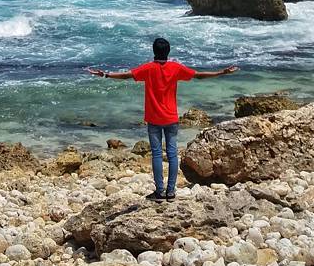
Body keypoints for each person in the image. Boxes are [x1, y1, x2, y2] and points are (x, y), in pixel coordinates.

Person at [87, 38, 238, 201]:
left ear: (153, 51)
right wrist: (222, 72)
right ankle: (171, 192)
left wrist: (105, 75)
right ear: (168, 52)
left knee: (157, 155)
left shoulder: (148, 68)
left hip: (154, 119)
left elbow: (126, 76)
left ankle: (159, 192)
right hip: (171, 118)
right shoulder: (175, 67)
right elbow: (198, 75)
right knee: (172, 154)